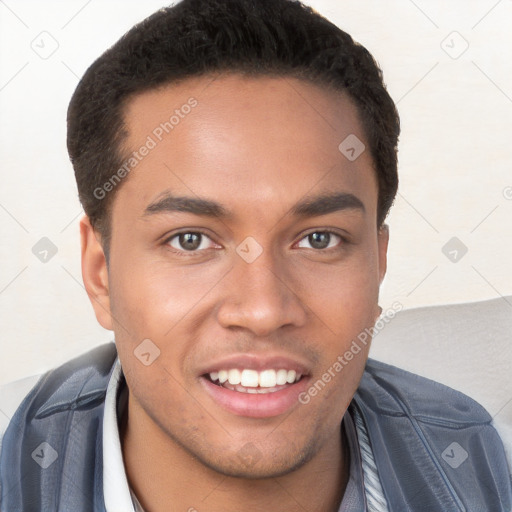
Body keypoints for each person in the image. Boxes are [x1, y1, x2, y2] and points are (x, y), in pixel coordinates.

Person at [0, 0, 510, 510]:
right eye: (190, 240)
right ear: (100, 273)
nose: (264, 310)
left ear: (378, 264)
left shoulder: (492, 473)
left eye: (319, 239)